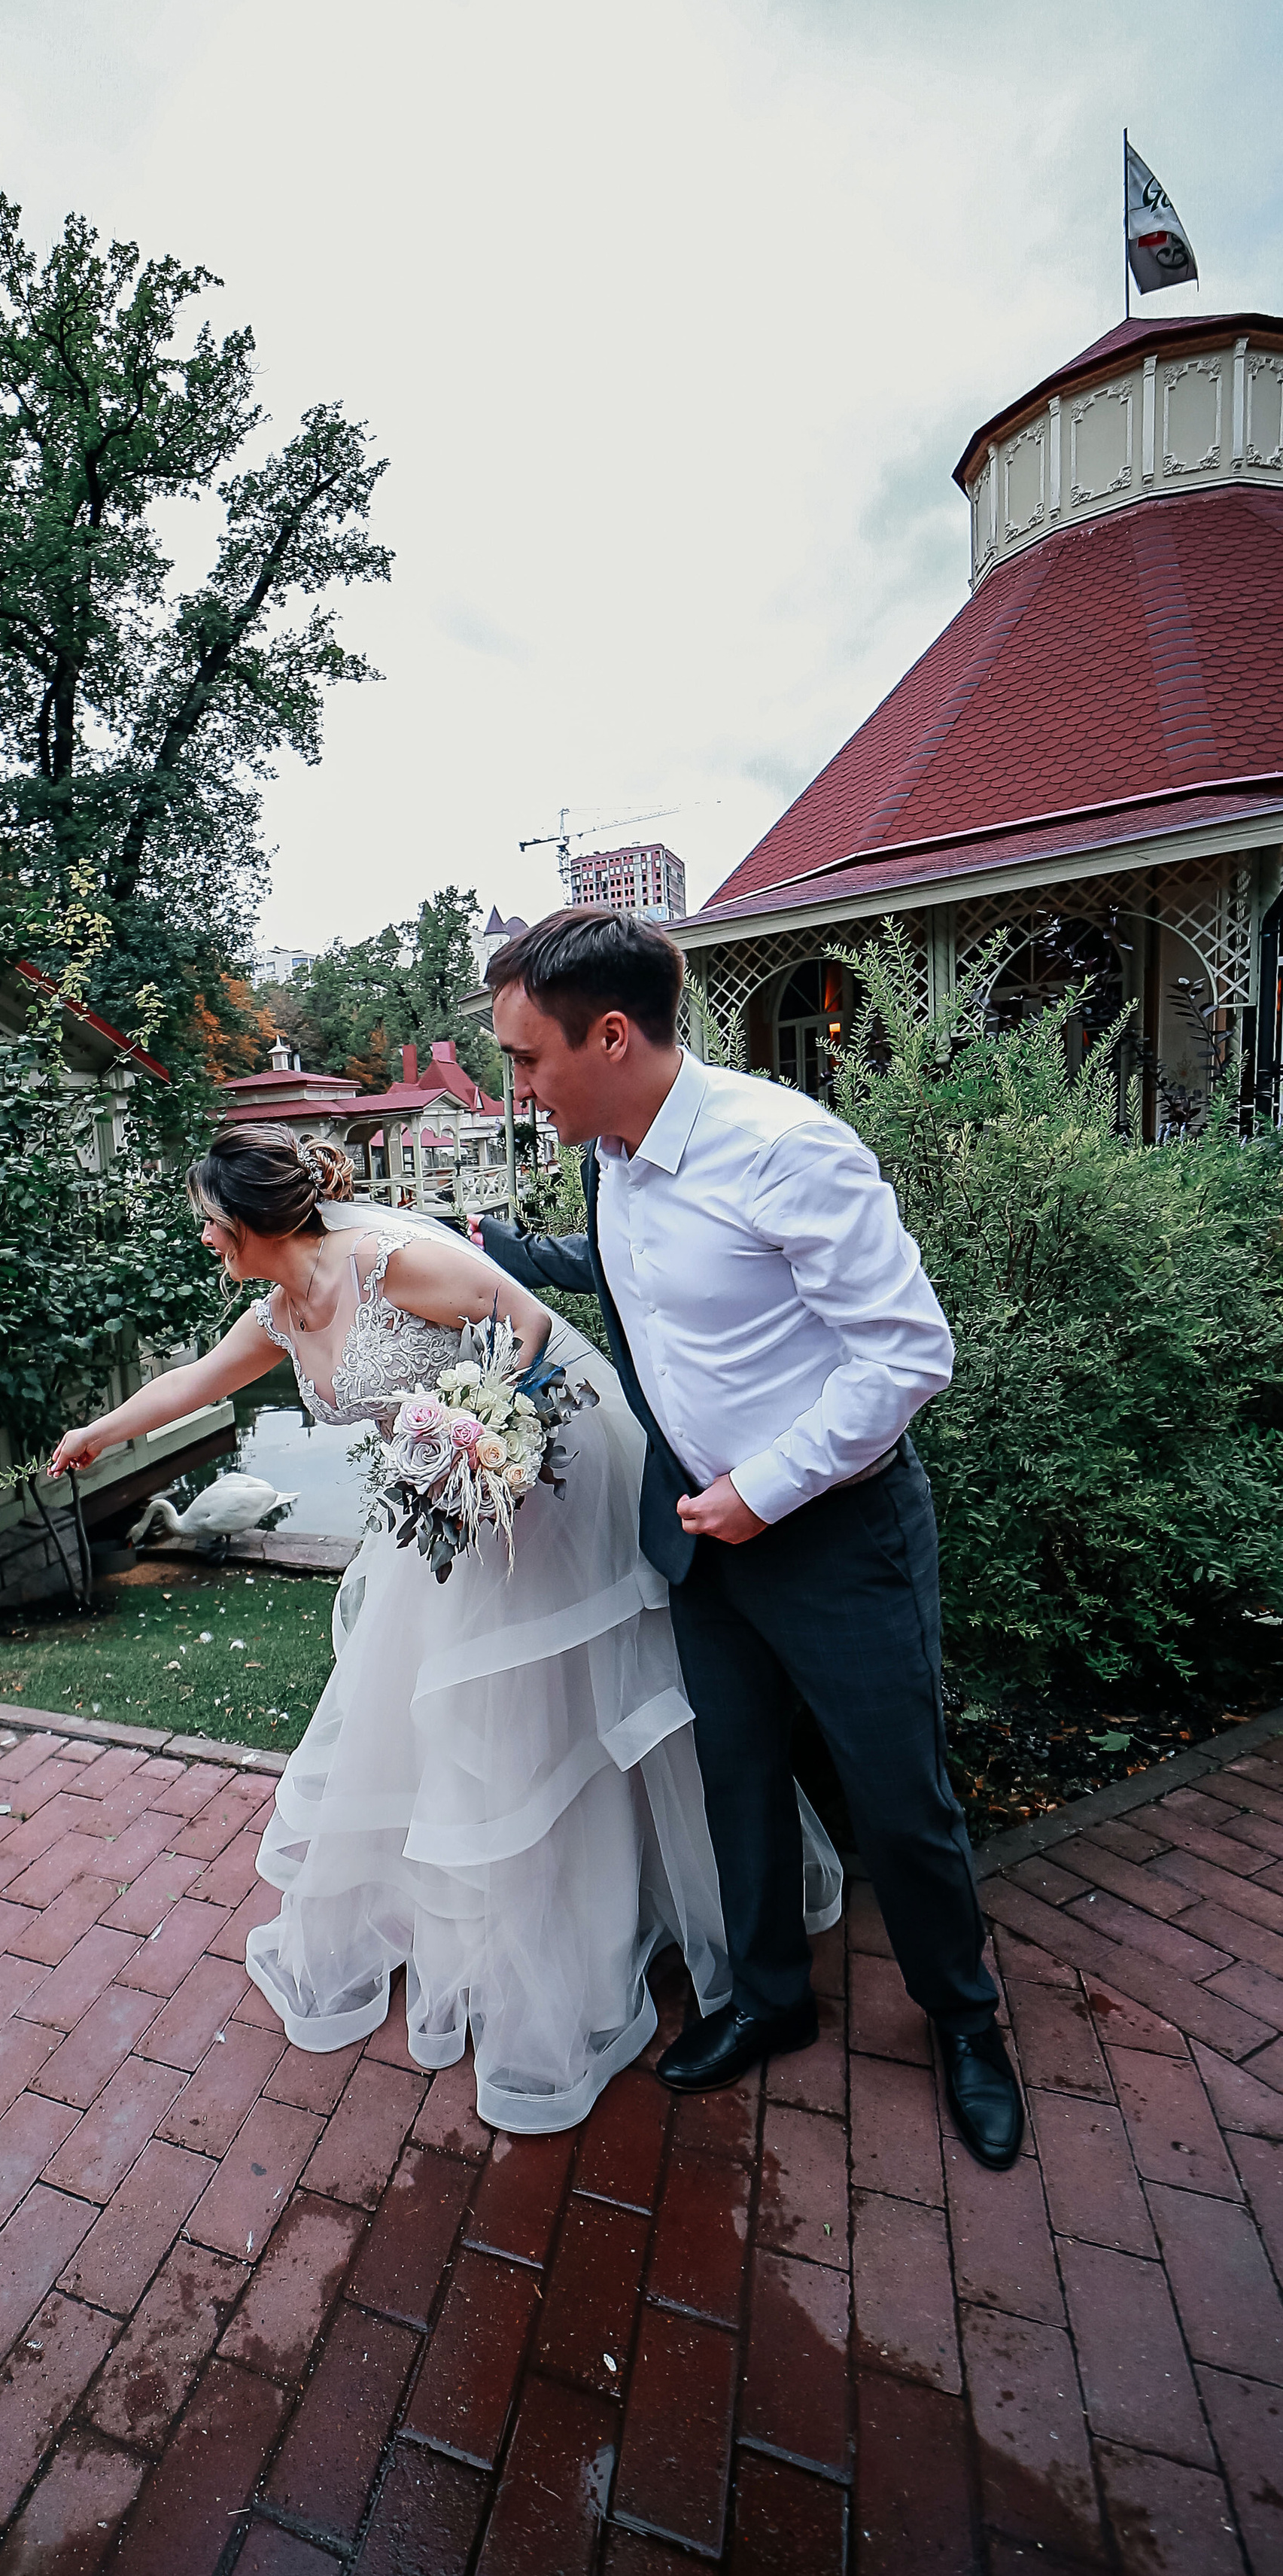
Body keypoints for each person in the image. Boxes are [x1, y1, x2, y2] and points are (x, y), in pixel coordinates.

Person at [50, 1122, 840, 2134]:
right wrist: (99, 1433)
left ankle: (598, 1941)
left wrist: (491, 1425)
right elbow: (192, 1381)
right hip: (442, 1518)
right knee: (453, 1718)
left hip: (529, 1501)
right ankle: (486, 1928)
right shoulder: (281, 1313)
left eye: (209, 1222)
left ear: (249, 1220)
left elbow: (530, 1324)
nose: (204, 1238)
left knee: (549, 1712)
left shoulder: (392, 1263)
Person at [482, 904, 1023, 2170]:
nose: (516, 1088)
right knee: (736, 1782)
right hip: (698, 1538)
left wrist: (764, 1489)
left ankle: (966, 2020)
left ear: (611, 1036)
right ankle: (772, 2002)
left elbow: (907, 1355)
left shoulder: (788, 1150)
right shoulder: (610, 1151)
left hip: (837, 1538)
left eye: (526, 1060)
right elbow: (650, 1301)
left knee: (902, 1801)